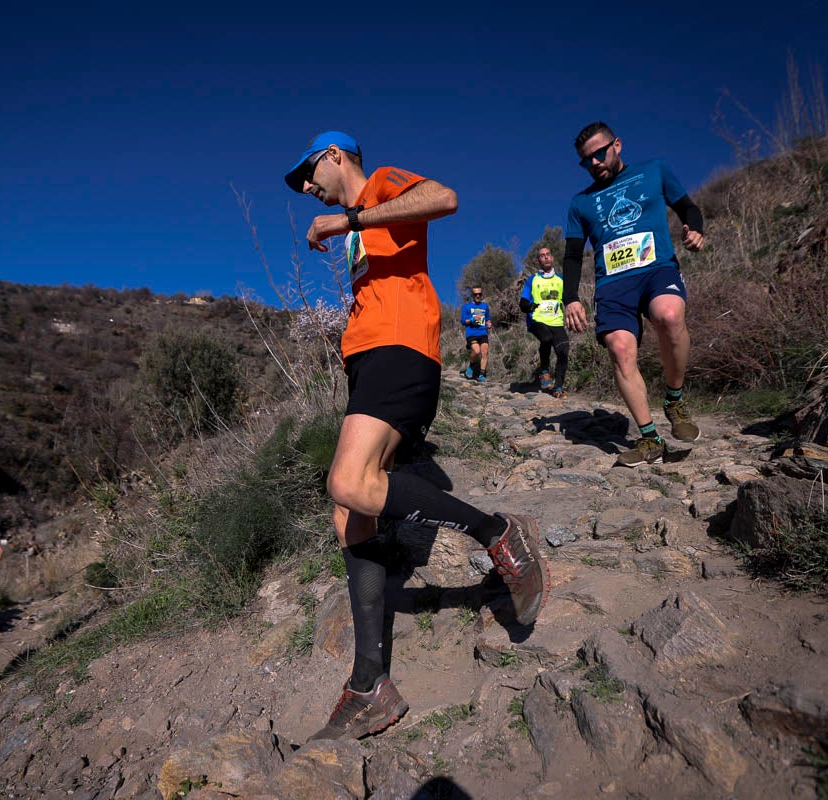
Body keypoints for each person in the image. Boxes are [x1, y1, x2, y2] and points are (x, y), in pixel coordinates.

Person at [285, 131, 549, 740]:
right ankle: (370, 684)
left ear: (334, 154)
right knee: (350, 516)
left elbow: (445, 197)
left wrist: (347, 216)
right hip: (371, 357)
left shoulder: (380, 184)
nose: (305, 187)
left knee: (348, 482)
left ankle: (497, 533)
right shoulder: (360, 226)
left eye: (307, 171)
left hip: (400, 348)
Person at [561, 122, 705, 467]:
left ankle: (674, 399)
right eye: (586, 160)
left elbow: (688, 207)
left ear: (618, 145)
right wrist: (571, 297)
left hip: (657, 270)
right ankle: (650, 438)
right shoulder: (580, 203)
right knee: (620, 348)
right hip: (613, 284)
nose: (594, 162)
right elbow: (571, 254)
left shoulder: (653, 171)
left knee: (669, 316)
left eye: (600, 153)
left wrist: (695, 228)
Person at [520, 247, 570, 398]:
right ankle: (544, 372)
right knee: (546, 338)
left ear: (552, 258)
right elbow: (523, 301)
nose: (546, 257)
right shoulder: (533, 279)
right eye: (542, 256)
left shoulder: (561, 279)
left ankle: (559, 387)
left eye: (548, 254)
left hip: (556, 321)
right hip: (537, 319)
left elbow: (569, 299)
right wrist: (528, 306)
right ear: (538, 260)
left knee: (563, 351)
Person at [459, 286, 492, 382]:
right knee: (477, 351)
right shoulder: (466, 307)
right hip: (471, 333)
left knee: (485, 352)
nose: (478, 296)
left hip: (483, 332)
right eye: (475, 294)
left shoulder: (485, 306)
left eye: (480, 294)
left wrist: (489, 323)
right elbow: (463, 321)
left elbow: (488, 318)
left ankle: (481, 375)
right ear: (472, 295)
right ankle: (471, 366)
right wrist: (472, 319)